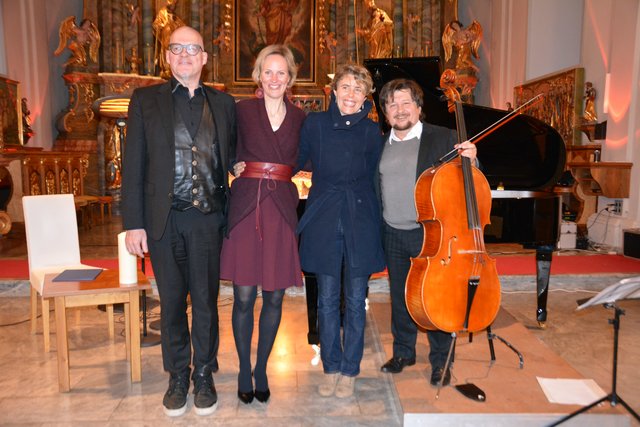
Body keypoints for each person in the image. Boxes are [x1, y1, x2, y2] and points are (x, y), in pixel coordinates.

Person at [121, 26, 236, 417]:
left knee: (205, 302)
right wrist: (133, 223)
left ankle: (203, 374)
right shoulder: (144, 100)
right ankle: (176, 375)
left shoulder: (224, 103)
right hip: (163, 221)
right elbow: (133, 165)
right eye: (177, 48)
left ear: (205, 58)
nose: (185, 54)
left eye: (193, 49)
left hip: (207, 221)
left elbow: (232, 157)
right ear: (167, 57)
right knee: (171, 302)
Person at [376, 78, 477, 386]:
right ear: (385, 112)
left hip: (430, 233)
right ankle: (404, 352)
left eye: (406, 103)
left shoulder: (443, 137)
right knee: (401, 296)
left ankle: (441, 361)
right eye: (392, 104)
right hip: (392, 231)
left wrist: (473, 160)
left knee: (434, 298)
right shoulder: (381, 142)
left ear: (419, 108)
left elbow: (470, 180)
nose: (399, 109)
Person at [220, 44, 306, 405]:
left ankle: (261, 367)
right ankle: (242, 368)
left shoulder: (301, 118)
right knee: (242, 296)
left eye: (281, 72)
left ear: (290, 79)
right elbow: (220, 146)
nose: (274, 78)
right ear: (258, 75)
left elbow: (309, 155)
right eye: (268, 72)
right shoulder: (240, 111)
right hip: (245, 207)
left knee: (274, 296)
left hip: (281, 208)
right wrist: (231, 165)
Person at [296, 63, 385, 398]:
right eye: (345, 87)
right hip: (323, 215)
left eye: (358, 89)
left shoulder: (371, 132)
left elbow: (378, 177)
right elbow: (294, 160)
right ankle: (331, 366)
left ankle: (350, 369)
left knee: (355, 298)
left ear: (366, 98)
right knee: (328, 299)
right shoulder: (315, 124)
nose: (350, 95)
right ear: (333, 91)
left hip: (360, 218)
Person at [153, 0, 185, 78]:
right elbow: (156, 25)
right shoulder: (162, 12)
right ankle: (166, 69)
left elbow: (182, 27)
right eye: (173, 3)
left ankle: (174, 69)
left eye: (175, 3)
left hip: (175, 41)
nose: (174, 5)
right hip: (166, 38)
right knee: (166, 52)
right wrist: (159, 27)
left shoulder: (176, 17)